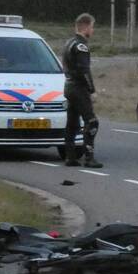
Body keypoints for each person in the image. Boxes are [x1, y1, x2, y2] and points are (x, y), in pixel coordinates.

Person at [62, 13, 103, 168]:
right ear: (85, 27)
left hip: (68, 86)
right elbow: (84, 70)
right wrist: (92, 90)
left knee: (72, 122)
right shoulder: (81, 46)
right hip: (78, 88)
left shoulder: (69, 43)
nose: (93, 31)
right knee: (92, 122)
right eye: (92, 27)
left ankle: (70, 156)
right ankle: (89, 157)